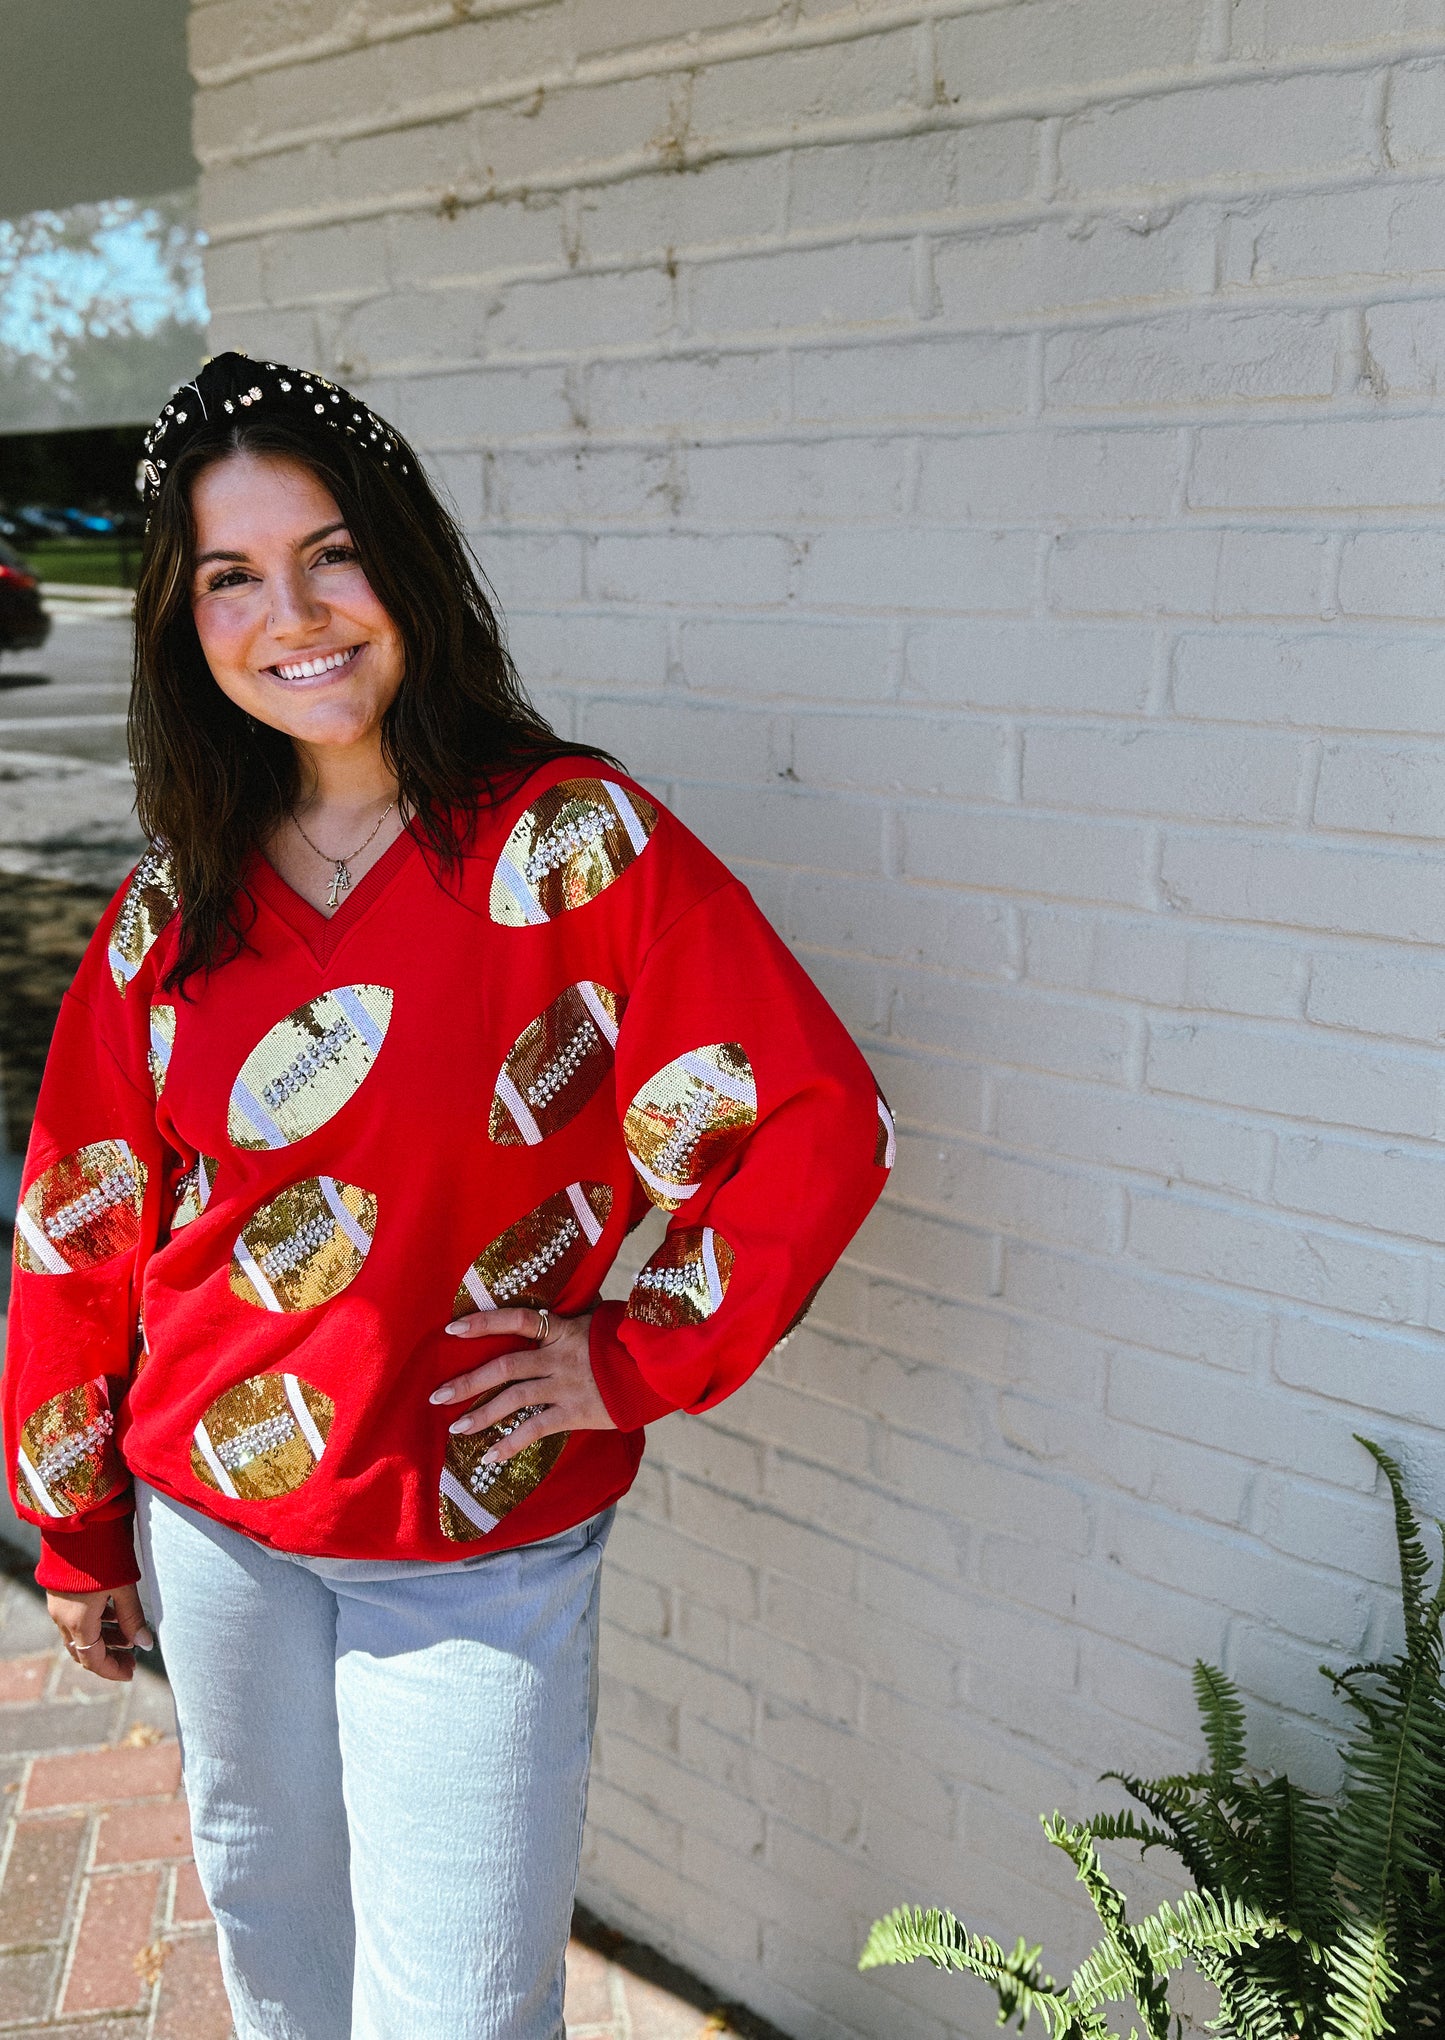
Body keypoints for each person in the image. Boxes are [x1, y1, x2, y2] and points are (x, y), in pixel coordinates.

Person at [1, 352, 894, 2040]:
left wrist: (629, 1355)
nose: (295, 612)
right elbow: (81, 1222)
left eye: (330, 552)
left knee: (464, 2005)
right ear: (182, 625)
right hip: (216, 1520)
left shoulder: (573, 847)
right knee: (274, 1931)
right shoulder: (166, 906)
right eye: (231, 576)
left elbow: (813, 1120)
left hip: (471, 1536)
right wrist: (76, 1519)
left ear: (404, 564)